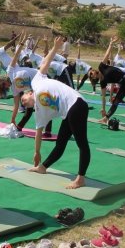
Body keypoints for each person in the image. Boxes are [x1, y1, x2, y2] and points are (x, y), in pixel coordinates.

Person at [22, 36, 90, 189]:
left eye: (23, 99)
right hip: (70, 110)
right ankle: (43, 167)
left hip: (77, 104)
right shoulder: (39, 111)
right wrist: (36, 152)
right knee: (60, 143)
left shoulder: (36, 82)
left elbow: (45, 63)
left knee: (82, 143)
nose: (24, 102)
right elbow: (38, 131)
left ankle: (80, 179)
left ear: (28, 93)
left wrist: (55, 47)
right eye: (24, 105)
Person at [89, 36, 125, 130]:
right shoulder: (102, 82)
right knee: (115, 101)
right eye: (91, 75)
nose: (92, 73)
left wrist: (111, 43)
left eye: (91, 72)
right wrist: (103, 108)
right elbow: (103, 97)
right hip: (123, 84)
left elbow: (106, 54)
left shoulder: (101, 67)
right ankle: (106, 118)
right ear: (94, 78)